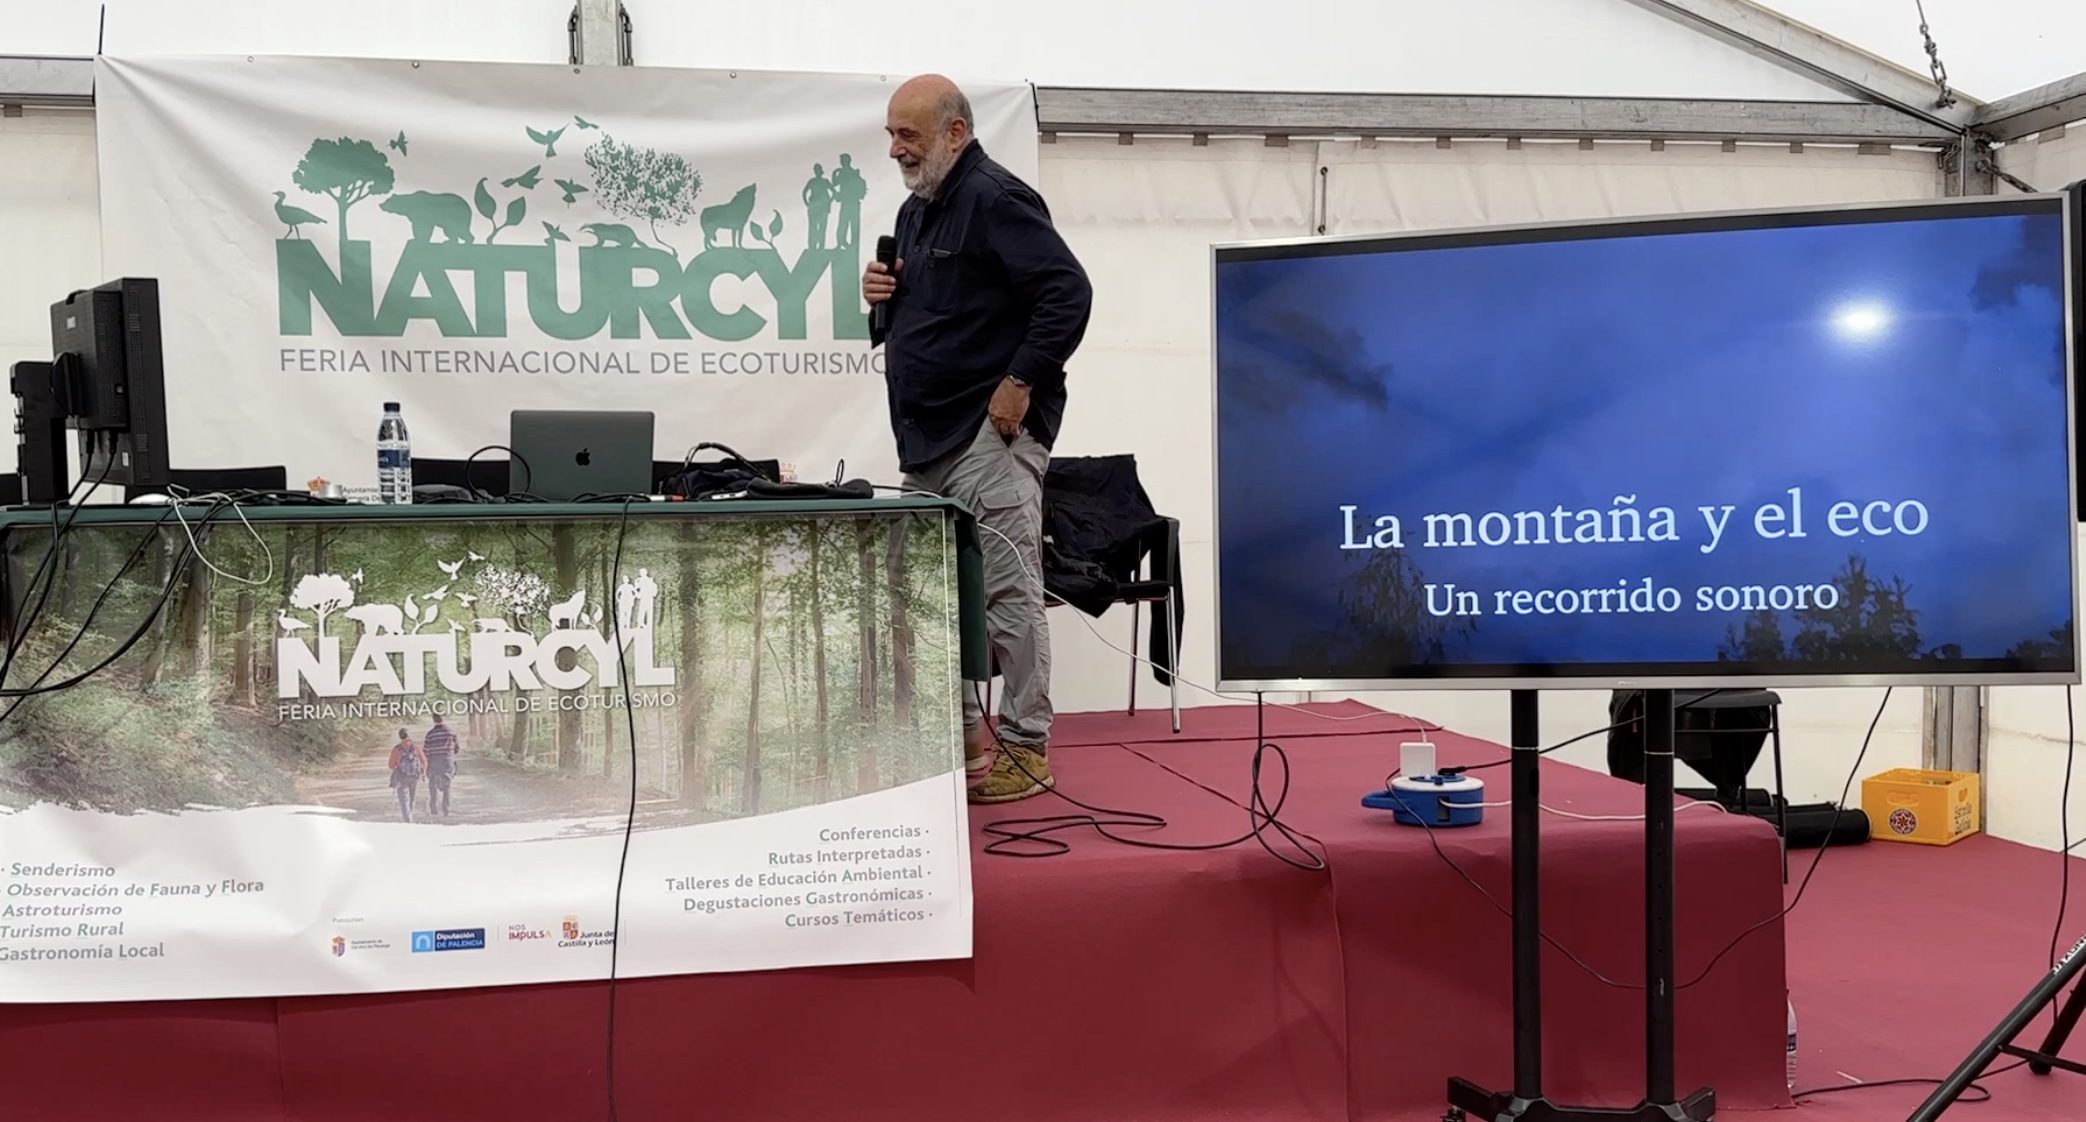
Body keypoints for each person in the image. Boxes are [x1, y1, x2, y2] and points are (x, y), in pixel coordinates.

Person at [863, 74, 1093, 804]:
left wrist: (1020, 379)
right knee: (935, 603)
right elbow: (922, 322)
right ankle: (959, 743)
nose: (897, 149)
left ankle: (1026, 748)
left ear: (955, 134)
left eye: (911, 136)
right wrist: (881, 298)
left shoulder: (996, 199)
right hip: (928, 442)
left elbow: (1067, 292)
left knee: (1006, 593)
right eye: (893, 135)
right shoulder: (916, 210)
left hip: (986, 437)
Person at [422, 715, 460, 818]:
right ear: (443, 719)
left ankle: (433, 808)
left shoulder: (430, 734)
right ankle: (446, 810)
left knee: (432, 785)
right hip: (447, 762)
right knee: (447, 784)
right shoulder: (451, 732)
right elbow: (456, 748)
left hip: (434, 762)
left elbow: (425, 751)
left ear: (434, 720)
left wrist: (427, 764)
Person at [387, 728, 426, 823]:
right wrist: (423, 773)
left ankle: (408, 821)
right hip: (415, 777)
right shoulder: (416, 748)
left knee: (404, 800)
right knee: (412, 799)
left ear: (400, 737)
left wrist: (397, 766)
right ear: (409, 736)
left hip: (402, 777)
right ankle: (410, 816)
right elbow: (423, 761)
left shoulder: (397, 749)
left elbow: (391, 765)